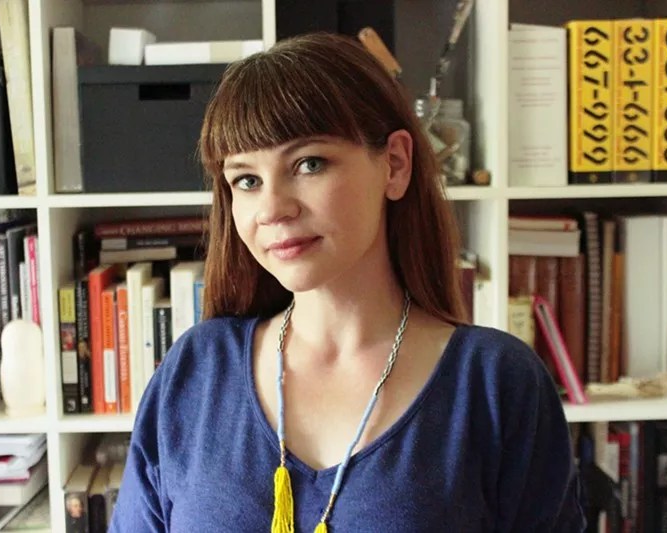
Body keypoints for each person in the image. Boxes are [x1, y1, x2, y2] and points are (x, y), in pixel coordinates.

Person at [109, 32, 585, 532]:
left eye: (308, 164)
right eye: (246, 180)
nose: (273, 209)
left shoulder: (497, 385)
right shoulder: (194, 372)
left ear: (395, 165)